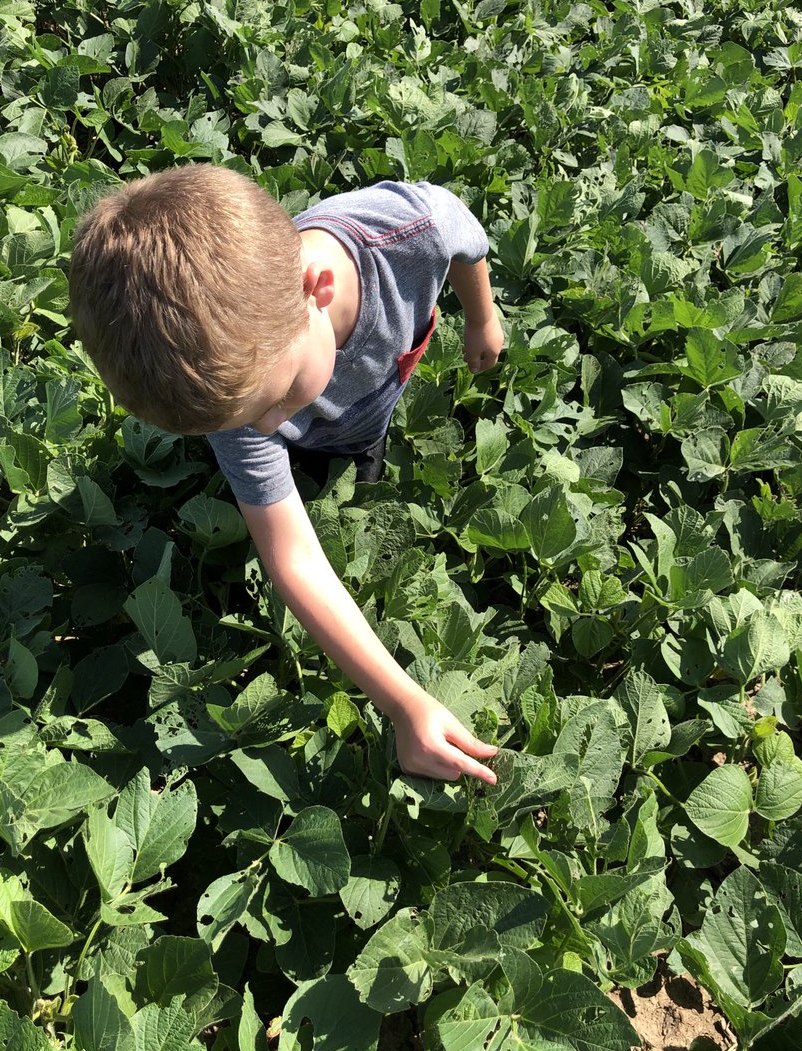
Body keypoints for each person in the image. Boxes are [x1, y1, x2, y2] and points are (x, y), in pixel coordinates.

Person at [68, 163, 504, 784]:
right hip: (335, 411)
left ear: (316, 288)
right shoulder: (242, 398)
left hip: (367, 412)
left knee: (359, 490)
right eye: (250, 417)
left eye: (278, 399)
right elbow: (293, 560)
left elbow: (468, 242)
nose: (271, 428)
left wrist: (481, 315)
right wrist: (404, 701)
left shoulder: (411, 231)